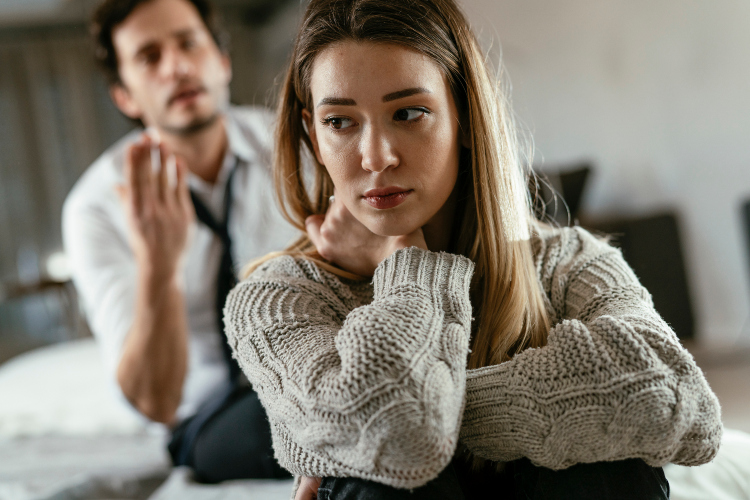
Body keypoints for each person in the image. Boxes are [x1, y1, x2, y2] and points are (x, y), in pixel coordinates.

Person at [223, 0, 723, 498]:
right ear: (312, 132)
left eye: (409, 112)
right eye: (340, 122)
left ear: (463, 116)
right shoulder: (275, 298)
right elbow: (397, 445)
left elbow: (681, 406)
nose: (376, 156)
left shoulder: (569, 263)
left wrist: (402, 415)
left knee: (609, 469)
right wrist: (410, 266)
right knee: (373, 480)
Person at [62, 0, 296, 483]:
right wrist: (160, 265)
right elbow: (155, 399)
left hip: (309, 375)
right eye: (149, 57)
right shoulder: (94, 209)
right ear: (125, 96)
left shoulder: (297, 148)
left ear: (222, 60)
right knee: (303, 421)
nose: (178, 67)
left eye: (189, 43)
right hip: (206, 417)